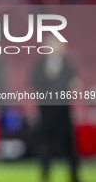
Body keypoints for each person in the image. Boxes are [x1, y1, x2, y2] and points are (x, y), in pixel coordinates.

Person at [32, 35, 80, 182]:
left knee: (70, 145)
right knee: (45, 146)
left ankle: (74, 176)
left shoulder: (68, 65)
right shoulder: (40, 65)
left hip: (63, 111)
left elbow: (75, 83)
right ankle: (45, 175)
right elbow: (34, 82)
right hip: (46, 111)